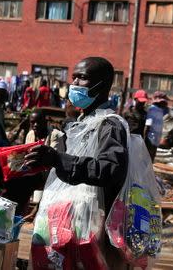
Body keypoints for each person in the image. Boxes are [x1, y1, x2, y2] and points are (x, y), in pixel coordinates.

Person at [23, 57, 129, 268]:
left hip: (94, 228)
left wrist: (57, 159)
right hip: (64, 221)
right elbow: (63, 172)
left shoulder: (109, 125)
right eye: (74, 77)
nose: (75, 84)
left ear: (102, 85)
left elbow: (110, 169)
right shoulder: (75, 127)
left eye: (82, 78)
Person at [145, 91, 169, 160]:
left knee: (150, 161)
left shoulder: (160, 111)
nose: (166, 104)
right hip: (150, 141)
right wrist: (145, 141)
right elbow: (147, 126)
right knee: (147, 161)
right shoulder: (152, 109)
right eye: (164, 102)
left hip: (155, 141)